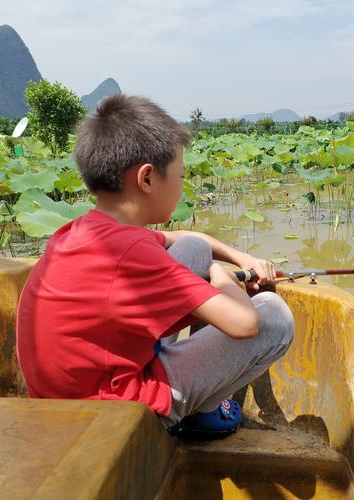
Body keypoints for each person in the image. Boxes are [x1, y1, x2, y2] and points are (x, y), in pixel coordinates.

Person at [16, 94, 294, 438]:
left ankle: (174, 370)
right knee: (273, 315)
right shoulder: (132, 252)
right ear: (147, 179)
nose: (183, 184)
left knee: (192, 248)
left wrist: (242, 259)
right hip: (108, 411)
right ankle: (198, 414)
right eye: (180, 175)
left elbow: (189, 239)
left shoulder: (86, 231)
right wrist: (221, 278)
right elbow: (245, 324)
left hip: (67, 392)